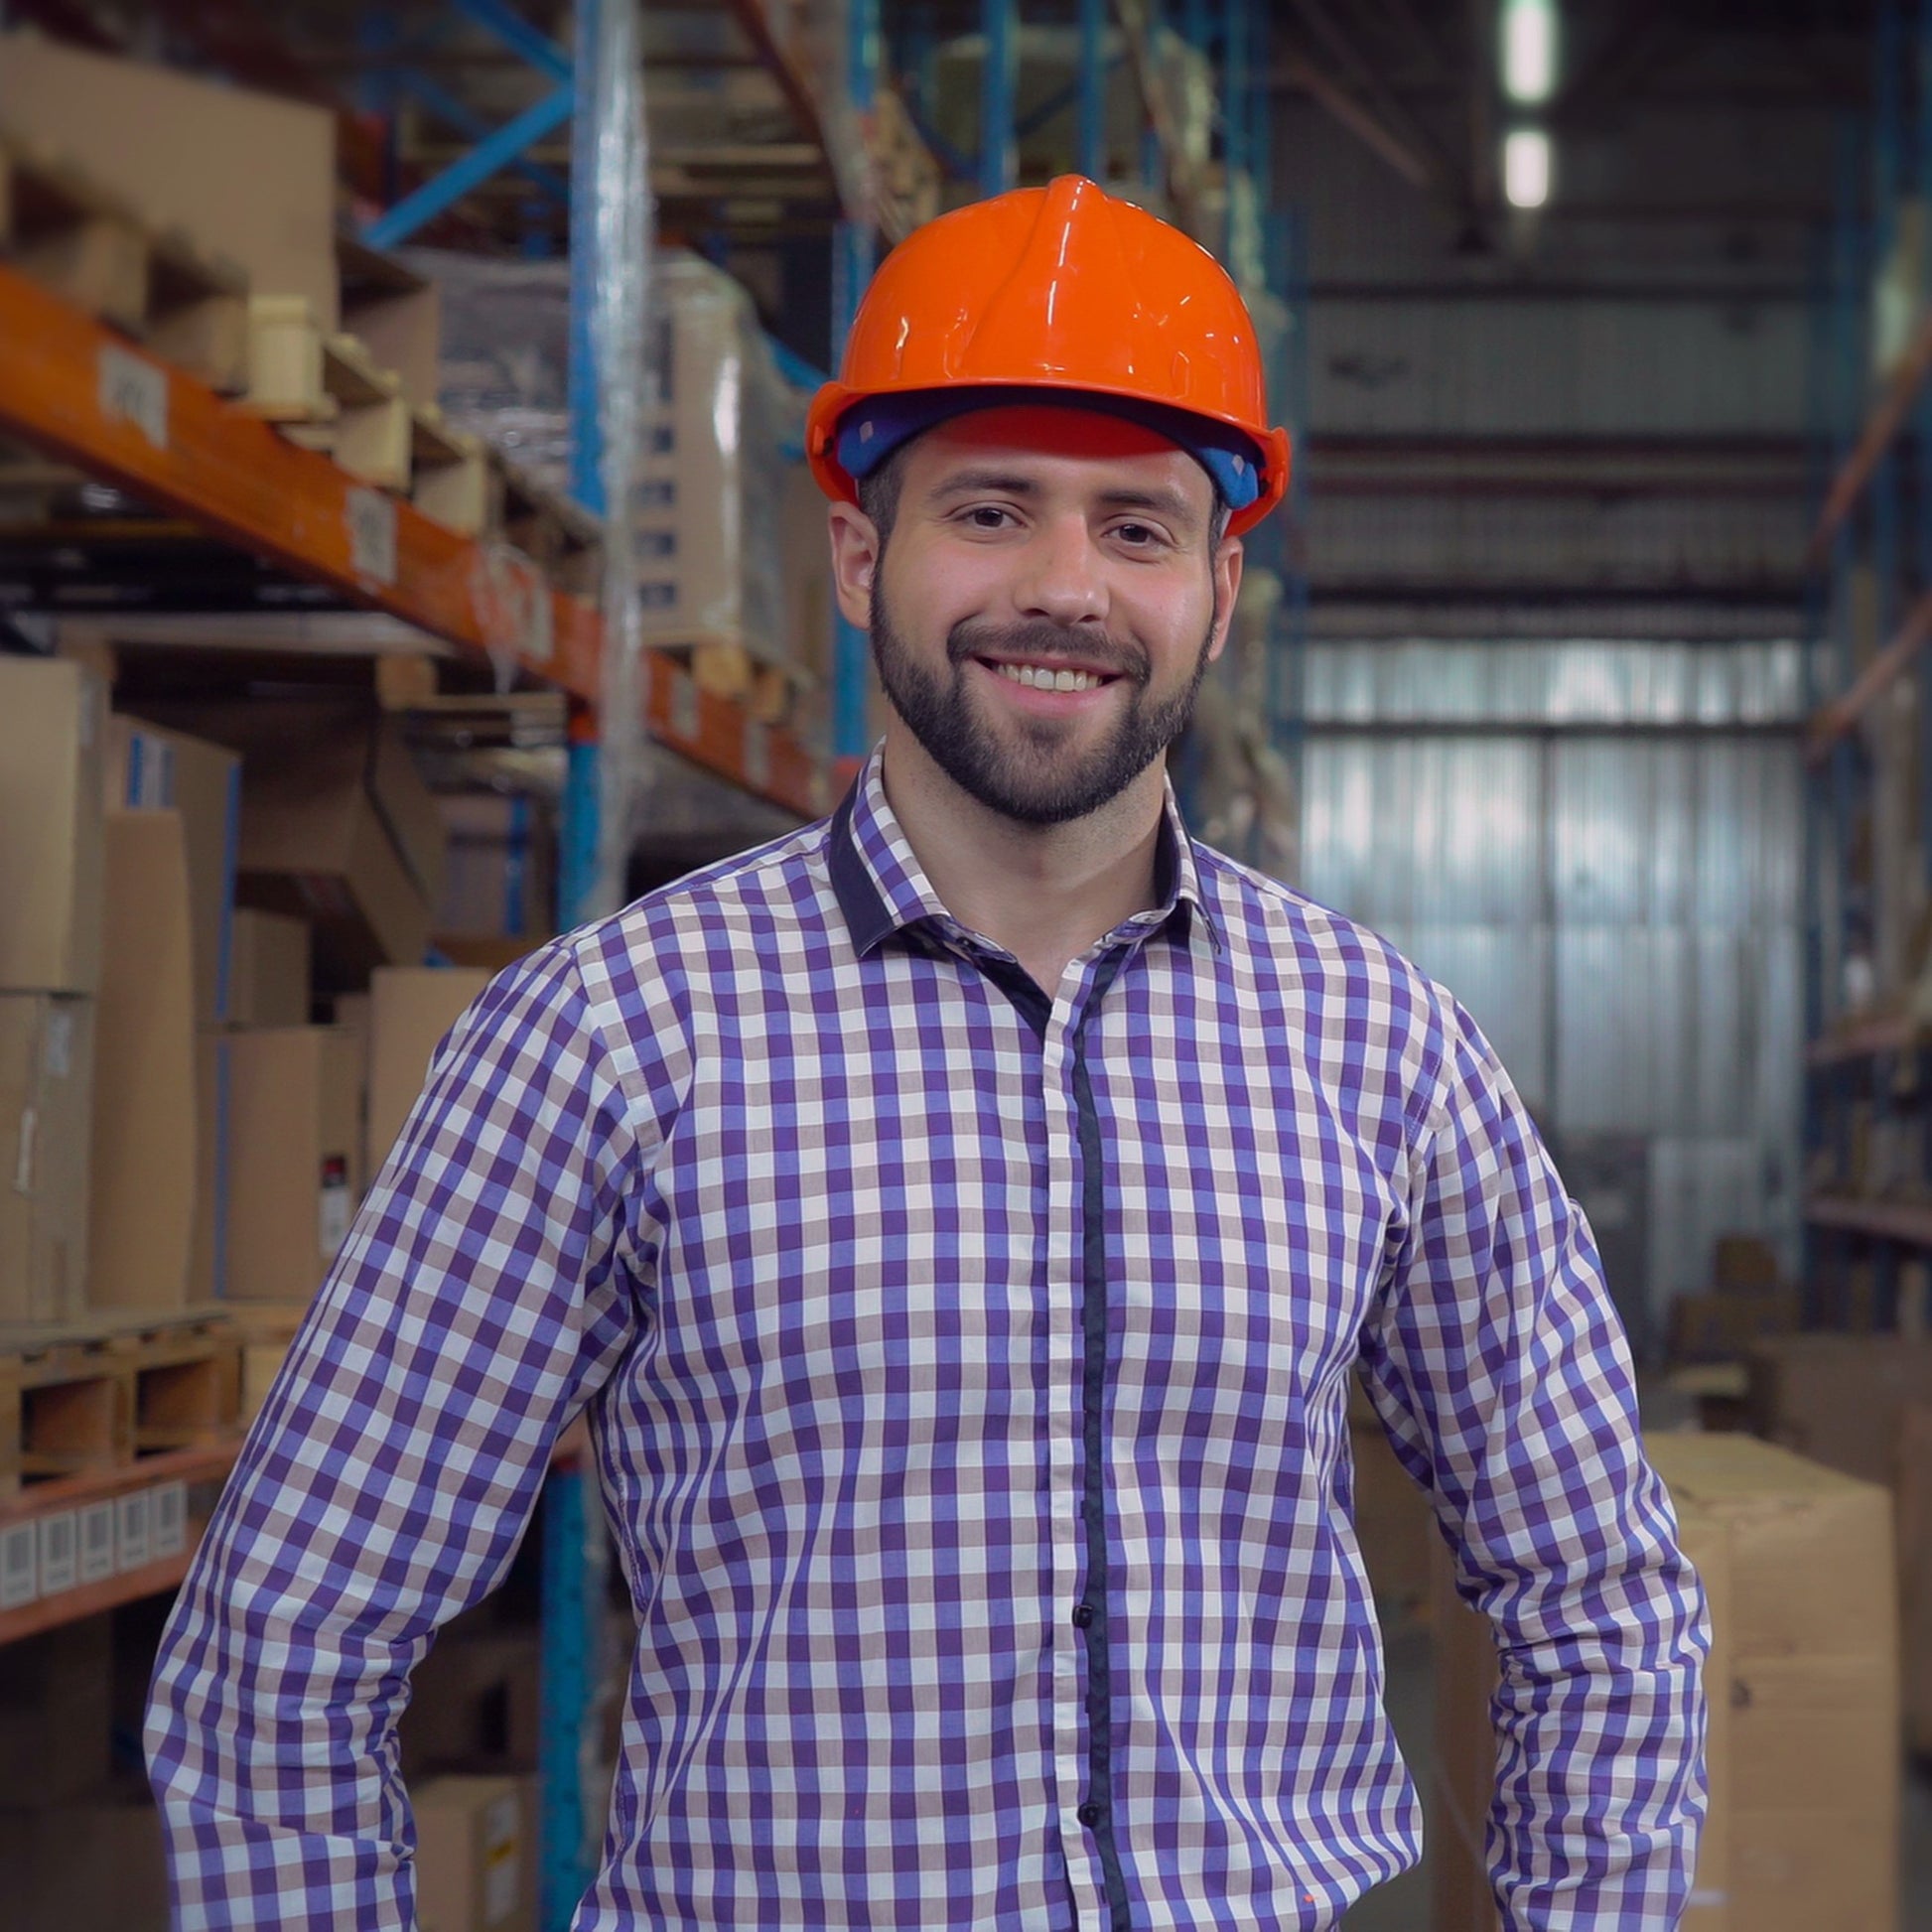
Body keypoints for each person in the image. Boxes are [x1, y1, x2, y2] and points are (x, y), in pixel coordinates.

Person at [147, 175, 1707, 1930]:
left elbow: (1602, 1600)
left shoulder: (1379, 1050)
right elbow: (282, 1648)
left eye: (1137, 527)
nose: (1064, 588)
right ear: (857, 550)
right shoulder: (612, 1037)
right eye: (991, 508)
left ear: (1219, 582)